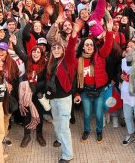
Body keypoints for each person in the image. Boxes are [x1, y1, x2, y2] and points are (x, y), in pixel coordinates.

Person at [45, 19, 81, 163]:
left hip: (64, 99)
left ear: (63, 49)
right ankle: (59, 139)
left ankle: (67, 155)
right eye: (54, 48)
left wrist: (74, 34)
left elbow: (72, 47)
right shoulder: (51, 62)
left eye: (59, 48)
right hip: (53, 98)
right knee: (57, 122)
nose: (56, 50)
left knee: (64, 127)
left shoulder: (68, 60)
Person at [75, 19, 113, 143]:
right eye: (87, 45)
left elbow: (107, 46)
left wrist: (109, 31)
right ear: (83, 47)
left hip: (99, 91)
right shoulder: (78, 60)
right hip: (85, 91)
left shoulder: (99, 56)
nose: (89, 47)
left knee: (98, 114)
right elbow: (75, 78)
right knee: (86, 114)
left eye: (91, 44)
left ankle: (99, 131)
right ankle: (86, 130)